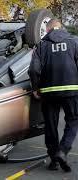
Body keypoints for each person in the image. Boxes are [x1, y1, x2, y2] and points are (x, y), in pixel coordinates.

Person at [29, 19, 78, 172]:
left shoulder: (42, 45)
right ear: (61, 28)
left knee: (51, 125)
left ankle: (54, 161)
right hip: (72, 89)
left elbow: (33, 70)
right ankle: (62, 151)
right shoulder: (74, 41)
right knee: (73, 120)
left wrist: (36, 88)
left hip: (48, 92)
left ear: (48, 30)